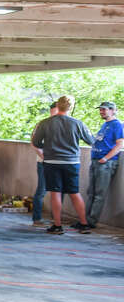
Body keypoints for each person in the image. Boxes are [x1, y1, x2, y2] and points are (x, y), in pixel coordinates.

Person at [31, 96, 95, 234]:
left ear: (58, 106)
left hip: (52, 162)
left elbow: (36, 142)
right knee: (74, 193)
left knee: (55, 193)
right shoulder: (78, 123)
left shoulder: (45, 123)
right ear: (71, 107)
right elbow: (91, 141)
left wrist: (48, 147)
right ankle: (84, 224)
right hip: (72, 162)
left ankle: (57, 226)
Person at [87, 101, 122, 229]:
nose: (101, 112)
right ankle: (85, 220)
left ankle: (91, 221)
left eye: (104, 110)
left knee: (99, 194)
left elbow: (119, 144)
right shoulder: (105, 125)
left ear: (113, 110)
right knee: (91, 192)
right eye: (100, 110)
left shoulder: (117, 125)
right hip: (96, 161)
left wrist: (106, 158)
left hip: (105, 163)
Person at [31, 102, 59, 225]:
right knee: (41, 190)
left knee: (58, 190)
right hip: (44, 162)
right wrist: (44, 157)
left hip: (58, 162)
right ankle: (37, 218)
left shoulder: (62, 124)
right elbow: (33, 143)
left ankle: (56, 218)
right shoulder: (42, 124)